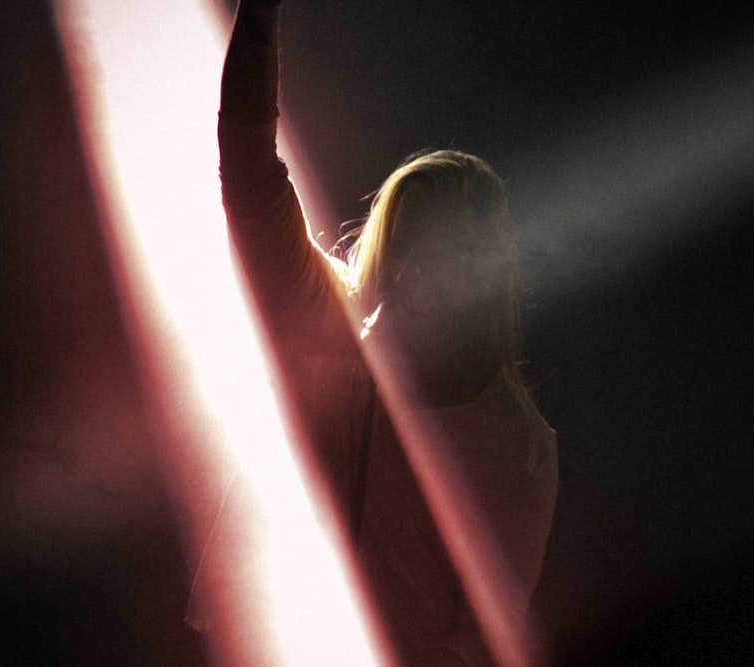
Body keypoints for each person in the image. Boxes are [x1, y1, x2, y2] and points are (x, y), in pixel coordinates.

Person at [211, 0, 558, 663]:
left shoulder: (521, 448)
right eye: (403, 246)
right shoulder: (328, 326)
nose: (413, 276)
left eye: (439, 253)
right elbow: (248, 166)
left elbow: (477, 643)